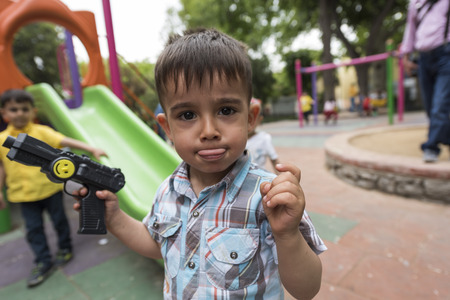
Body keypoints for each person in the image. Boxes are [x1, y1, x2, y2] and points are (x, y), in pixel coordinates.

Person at [74, 28, 326, 299]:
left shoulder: (268, 197)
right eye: (188, 114)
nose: (208, 130)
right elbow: (157, 245)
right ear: (167, 128)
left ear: (251, 118)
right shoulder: (167, 191)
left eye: (226, 110)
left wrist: (287, 235)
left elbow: (306, 290)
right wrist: (115, 219)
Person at [0, 89, 107, 288]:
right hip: (23, 195)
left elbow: (65, 140)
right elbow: (2, 168)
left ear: (33, 111)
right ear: (4, 113)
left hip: (48, 190)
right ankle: (43, 260)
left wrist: (91, 148)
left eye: (25, 109)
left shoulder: (42, 132)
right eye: (14, 110)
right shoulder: (1, 140)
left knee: (59, 220)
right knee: (33, 229)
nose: (20, 113)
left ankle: (65, 248)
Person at [401, 0, 450, 163]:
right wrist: (406, 56)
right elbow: (410, 30)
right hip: (423, 58)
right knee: (430, 107)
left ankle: (431, 147)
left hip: (446, 55)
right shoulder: (415, 3)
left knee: (440, 105)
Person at [246, 98, 280, 173]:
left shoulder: (264, 138)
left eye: (252, 118)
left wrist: (280, 178)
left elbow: (274, 161)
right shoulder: (234, 140)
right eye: (245, 118)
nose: (248, 123)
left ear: (259, 119)